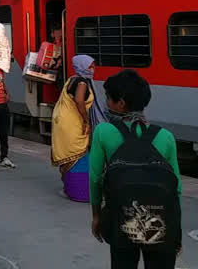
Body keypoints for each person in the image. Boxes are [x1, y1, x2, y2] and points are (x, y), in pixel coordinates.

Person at [90, 70, 182, 269]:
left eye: (108, 98)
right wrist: (177, 232)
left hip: (120, 220)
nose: (106, 103)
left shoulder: (103, 132)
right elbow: (177, 189)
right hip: (162, 224)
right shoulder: (165, 136)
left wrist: (97, 216)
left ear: (121, 103)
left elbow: (95, 179)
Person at [51, 55, 96, 202]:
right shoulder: (82, 83)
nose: (93, 68)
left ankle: (67, 186)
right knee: (76, 153)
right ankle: (73, 188)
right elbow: (79, 100)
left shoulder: (72, 79)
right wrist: (86, 120)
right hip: (72, 124)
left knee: (67, 156)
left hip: (61, 122)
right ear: (83, 66)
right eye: (90, 66)